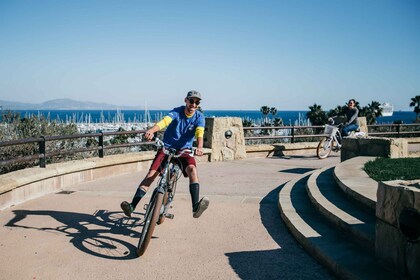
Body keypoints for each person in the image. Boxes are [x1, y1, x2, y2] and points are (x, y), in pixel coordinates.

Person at [120, 90, 209, 218]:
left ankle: (195, 207)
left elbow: (199, 133)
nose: (193, 105)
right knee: (151, 175)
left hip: (185, 150)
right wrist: (151, 130)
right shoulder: (177, 111)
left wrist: (199, 147)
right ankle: (132, 206)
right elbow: (164, 122)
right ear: (186, 100)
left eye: (197, 103)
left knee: (193, 171)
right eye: (191, 101)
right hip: (167, 147)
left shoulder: (199, 117)